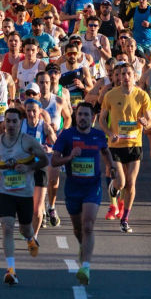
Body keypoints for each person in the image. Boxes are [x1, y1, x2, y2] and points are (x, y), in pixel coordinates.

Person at [0, 107, 47, 285]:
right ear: (4, 122)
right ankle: (11, 270)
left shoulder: (28, 142)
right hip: (5, 192)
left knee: (25, 229)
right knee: (7, 227)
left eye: (14, 121)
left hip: (25, 193)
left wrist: (29, 168)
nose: (11, 124)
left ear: (20, 123)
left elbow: (44, 160)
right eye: (8, 121)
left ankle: (30, 238)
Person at [51, 101, 109, 285]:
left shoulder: (98, 135)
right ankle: (83, 247)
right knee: (78, 228)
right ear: (75, 117)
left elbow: (106, 151)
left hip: (92, 187)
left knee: (88, 225)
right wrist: (70, 157)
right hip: (73, 188)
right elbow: (54, 161)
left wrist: (113, 167)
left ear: (93, 118)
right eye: (80, 114)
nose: (82, 117)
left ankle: (85, 266)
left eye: (86, 115)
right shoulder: (67, 135)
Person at [100, 61, 151, 232]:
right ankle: (113, 187)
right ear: (118, 77)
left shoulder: (142, 96)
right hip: (116, 144)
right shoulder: (110, 95)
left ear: (134, 76)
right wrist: (109, 132)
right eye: (122, 74)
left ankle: (125, 218)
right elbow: (102, 119)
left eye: (128, 74)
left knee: (131, 183)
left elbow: (150, 120)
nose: (125, 77)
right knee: (121, 182)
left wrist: (145, 122)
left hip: (134, 143)